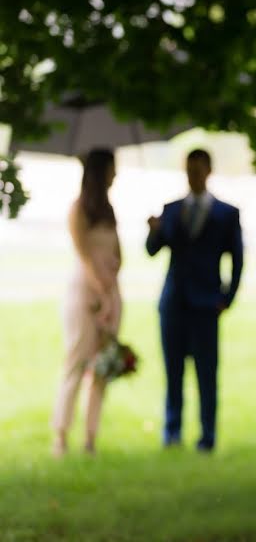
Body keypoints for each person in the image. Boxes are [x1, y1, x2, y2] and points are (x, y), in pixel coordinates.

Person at [146, 149, 243, 453]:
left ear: (208, 171)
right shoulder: (171, 209)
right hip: (173, 303)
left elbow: (238, 261)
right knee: (173, 372)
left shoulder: (226, 214)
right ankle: (171, 432)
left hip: (206, 306)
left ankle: (207, 436)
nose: (193, 175)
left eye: (198, 170)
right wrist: (154, 230)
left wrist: (226, 299)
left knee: (206, 374)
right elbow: (152, 249)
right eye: (189, 170)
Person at [52, 148, 122, 457]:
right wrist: (101, 289)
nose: (115, 175)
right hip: (85, 293)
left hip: (111, 292)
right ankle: (61, 434)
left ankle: (90, 437)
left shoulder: (109, 211)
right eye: (111, 169)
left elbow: (119, 255)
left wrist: (111, 289)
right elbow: (83, 255)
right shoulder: (78, 210)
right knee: (76, 361)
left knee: (102, 368)